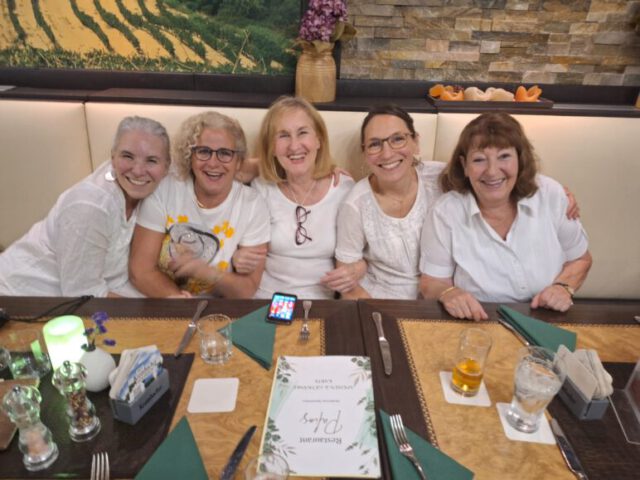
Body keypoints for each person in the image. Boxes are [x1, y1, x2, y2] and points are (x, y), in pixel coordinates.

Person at [419, 112, 592, 320]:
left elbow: (581, 259)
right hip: (479, 321)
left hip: (548, 317)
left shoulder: (551, 194)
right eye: (479, 160)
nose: (492, 171)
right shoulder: (445, 211)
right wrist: (449, 293)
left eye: (504, 156)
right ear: (464, 166)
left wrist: (563, 287)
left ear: (520, 158)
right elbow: (432, 282)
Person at [0, 116, 171, 297]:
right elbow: (83, 294)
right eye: (127, 156)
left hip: (90, 295)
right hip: (18, 296)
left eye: (151, 160)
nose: (138, 170)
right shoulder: (90, 207)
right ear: (113, 157)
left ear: (166, 167)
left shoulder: (156, 189)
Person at [128, 111, 270, 298]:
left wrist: (205, 272)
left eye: (225, 153)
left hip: (219, 309)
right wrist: (179, 301)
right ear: (190, 157)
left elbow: (246, 289)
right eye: (203, 152)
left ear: (238, 162)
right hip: (163, 301)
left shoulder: (252, 205)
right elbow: (140, 271)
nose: (213, 163)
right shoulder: (165, 189)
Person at [232, 96, 359, 298]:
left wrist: (355, 270)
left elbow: (364, 256)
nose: (294, 145)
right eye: (283, 136)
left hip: (319, 304)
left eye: (302, 133)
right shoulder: (261, 189)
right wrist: (238, 258)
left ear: (319, 139)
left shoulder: (344, 189)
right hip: (267, 299)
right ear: (271, 147)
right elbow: (223, 169)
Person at [335, 105, 445, 299]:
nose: (387, 154)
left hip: (440, 298)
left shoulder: (442, 179)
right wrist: (376, 314)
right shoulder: (355, 204)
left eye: (398, 139)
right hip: (379, 301)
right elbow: (347, 285)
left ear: (416, 142)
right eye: (374, 144)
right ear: (364, 153)